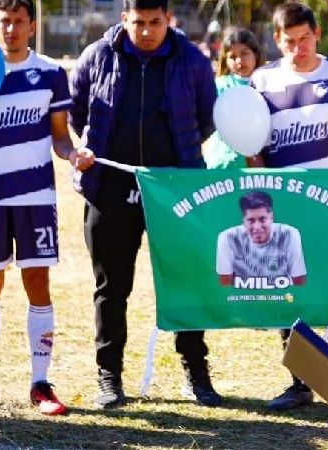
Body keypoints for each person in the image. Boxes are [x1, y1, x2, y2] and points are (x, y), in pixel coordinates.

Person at [69, 0, 222, 409]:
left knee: (186, 283)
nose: (147, 31)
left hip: (176, 190)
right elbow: (76, 110)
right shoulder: (97, 56)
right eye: (139, 23)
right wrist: (85, 148)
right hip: (110, 188)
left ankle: (196, 375)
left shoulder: (191, 60)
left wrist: (178, 160)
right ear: (125, 19)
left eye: (156, 22)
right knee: (111, 287)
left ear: (168, 20)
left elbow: (207, 117)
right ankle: (109, 376)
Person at [0, 0, 95, 415]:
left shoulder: (50, 72)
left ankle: (41, 384)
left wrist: (75, 153)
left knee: (37, 285)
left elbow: (60, 138)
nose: (11, 28)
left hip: (36, 200)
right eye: (4, 21)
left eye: (19, 21)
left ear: (32, 24)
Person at [249, 1, 328, 411]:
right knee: (288, 293)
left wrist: (326, 196)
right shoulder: (261, 82)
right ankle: (299, 385)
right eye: (289, 42)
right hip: (283, 210)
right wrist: (273, 194)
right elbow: (253, 150)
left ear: (317, 34)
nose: (298, 49)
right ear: (277, 41)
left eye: (304, 39)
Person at [203, 28, 266, 169]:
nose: (239, 61)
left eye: (244, 54)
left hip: (258, 166)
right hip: (222, 163)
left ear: (256, 54)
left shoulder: (268, 83)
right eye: (232, 56)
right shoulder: (219, 86)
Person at [216, 191, 306, 286]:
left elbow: (298, 282)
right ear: (243, 220)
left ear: (271, 217)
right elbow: (225, 285)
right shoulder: (228, 238)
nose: (257, 227)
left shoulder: (289, 234)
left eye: (262, 219)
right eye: (251, 220)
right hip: (242, 298)